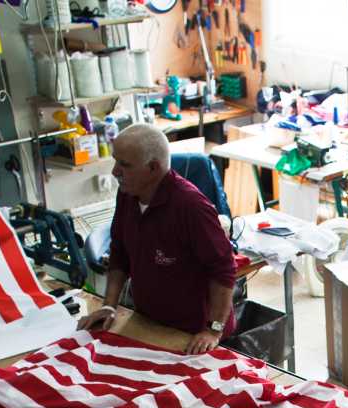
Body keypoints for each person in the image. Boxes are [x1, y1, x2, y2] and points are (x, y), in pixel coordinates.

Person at [77, 124, 237, 354]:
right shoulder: (128, 195)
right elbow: (120, 252)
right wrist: (109, 306)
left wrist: (213, 330)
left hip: (194, 332)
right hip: (149, 321)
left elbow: (223, 269)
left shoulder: (191, 207)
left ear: (153, 168)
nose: (114, 172)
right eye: (115, 161)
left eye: (124, 165)